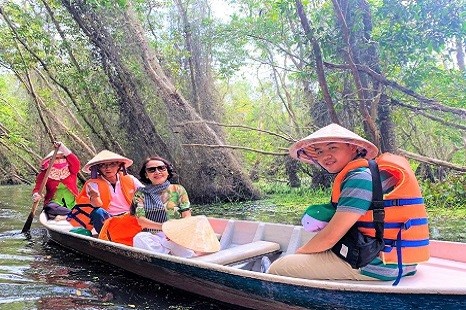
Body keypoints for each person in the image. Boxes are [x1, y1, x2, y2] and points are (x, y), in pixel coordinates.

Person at [266, 123, 430, 283]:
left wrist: (300, 253)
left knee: (279, 267)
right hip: (400, 262)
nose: (325, 156)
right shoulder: (368, 172)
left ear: (353, 147)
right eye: (319, 151)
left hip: (376, 264)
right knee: (311, 249)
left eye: (332, 148)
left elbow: (330, 237)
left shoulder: (358, 178)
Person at [130, 156, 193, 255]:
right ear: (146, 175)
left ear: (167, 172)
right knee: (139, 238)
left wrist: (176, 231)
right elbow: (141, 221)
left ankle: (178, 253)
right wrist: (165, 228)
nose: (157, 172)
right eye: (151, 170)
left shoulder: (178, 189)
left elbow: (187, 216)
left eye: (161, 168)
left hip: (176, 233)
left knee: (175, 242)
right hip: (154, 237)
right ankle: (168, 256)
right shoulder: (140, 193)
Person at [69, 150, 143, 233]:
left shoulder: (130, 179)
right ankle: (105, 236)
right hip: (109, 218)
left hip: (130, 215)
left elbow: (145, 194)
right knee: (97, 212)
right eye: (102, 165)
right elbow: (97, 205)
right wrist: (95, 196)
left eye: (112, 164)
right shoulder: (93, 184)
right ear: (98, 168)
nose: (108, 168)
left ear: (119, 165)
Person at [32, 142, 80, 220]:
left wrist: (62, 147)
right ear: (50, 161)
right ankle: (73, 215)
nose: (59, 160)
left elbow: (75, 162)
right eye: (56, 158)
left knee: (86, 207)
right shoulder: (44, 174)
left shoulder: (71, 170)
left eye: (62, 157)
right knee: (50, 208)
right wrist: (36, 195)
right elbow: (37, 189)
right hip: (54, 204)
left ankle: (69, 215)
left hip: (73, 202)